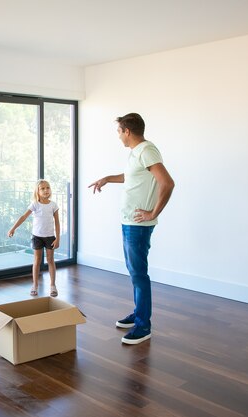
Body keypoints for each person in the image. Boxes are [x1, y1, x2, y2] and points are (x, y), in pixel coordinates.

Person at [89, 113, 174, 345]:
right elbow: (131, 177)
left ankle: (143, 325)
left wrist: (153, 213)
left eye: (119, 131)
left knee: (138, 273)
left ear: (127, 131)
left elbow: (167, 182)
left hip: (139, 224)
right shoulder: (136, 153)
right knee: (134, 271)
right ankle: (138, 313)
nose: (118, 136)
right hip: (129, 222)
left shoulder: (147, 150)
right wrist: (107, 178)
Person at [7, 179, 60, 297]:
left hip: (50, 237)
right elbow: (23, 217)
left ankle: (52, 286)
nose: (46, 190)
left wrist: (58, 238)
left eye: (48, 188)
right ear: (37, 191)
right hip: (37, 237)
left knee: (50, 260)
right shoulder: (35, 204)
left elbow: (57, 223)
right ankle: (35, 285)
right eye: (43, 188)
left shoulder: (53, 205)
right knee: (37, 261)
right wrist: (13, 228)